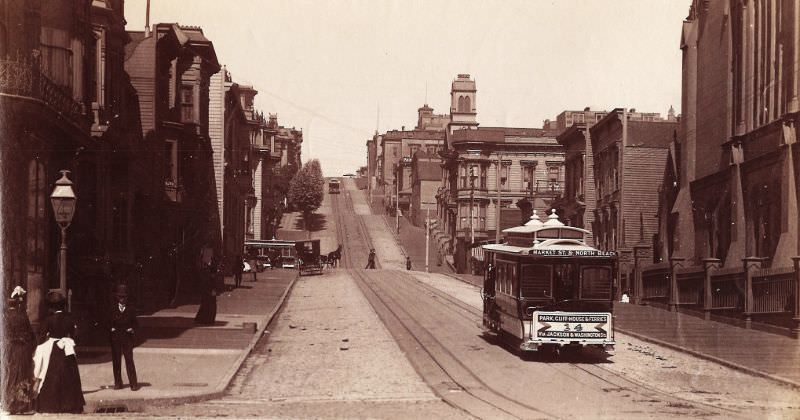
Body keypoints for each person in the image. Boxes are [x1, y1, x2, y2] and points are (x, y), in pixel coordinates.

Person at [34, 291, 84, 414]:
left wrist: (42, 343)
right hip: (66, 350)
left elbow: (41, 337)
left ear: (51, 306)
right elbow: (75, 335)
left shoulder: (48, 319)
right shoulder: (70, 318)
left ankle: (51, 404)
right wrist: (71, 341)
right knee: (70, 376)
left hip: (53, 349)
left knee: (51, 375)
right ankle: (71, 404)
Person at [2, 286, 36, 414]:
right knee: (22, 374)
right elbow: (30, 334)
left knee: (10, 375)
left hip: (9, 348)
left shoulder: (4, 317)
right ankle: (22, 405)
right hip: (22, 349)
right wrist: (32, 346)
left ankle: (9, 403)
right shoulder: (22, 316)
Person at [109, 284, 139, 391]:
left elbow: (136, 323)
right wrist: (111, 328)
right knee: (116, 360)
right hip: (116, 336)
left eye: (124, 297)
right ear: (117, 297)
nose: (122, 299)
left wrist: (132, 329)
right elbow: (107, 321)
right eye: (120, 297)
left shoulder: (131, 308)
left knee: (129, 359)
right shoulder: (112, 308)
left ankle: (133, 383)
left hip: (127, 336)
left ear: (127, 297)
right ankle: (118, 382)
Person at [196, 258, 219, 325]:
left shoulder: (208, 277)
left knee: (206, 307)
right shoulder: (211, 278)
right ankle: (208, 320)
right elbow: (211, 287)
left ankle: (205, 319)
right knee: (210, 307)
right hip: (210, 294)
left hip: (207, 294)